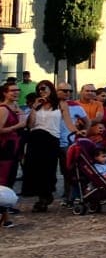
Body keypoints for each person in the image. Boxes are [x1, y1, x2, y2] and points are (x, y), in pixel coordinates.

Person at [22, 80, 68, 211]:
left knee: (48, 169)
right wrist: (34, 108)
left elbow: (68, 122)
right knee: (34, 169)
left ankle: (46, 195)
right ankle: (40, 197)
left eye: (44, 88)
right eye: (39, 89)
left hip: (51, 139)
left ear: (50, 89)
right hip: (36, 138)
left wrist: (77, 132)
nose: (42, 91)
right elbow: (30, 125)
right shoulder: (37, 105)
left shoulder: (60, 105)